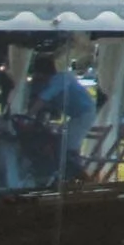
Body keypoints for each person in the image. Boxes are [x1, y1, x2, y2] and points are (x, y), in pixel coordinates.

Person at [26, 54, 97, 184]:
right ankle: (65, 177)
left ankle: (85, 180)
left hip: (84, 113)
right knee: (60, 144)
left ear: (42, 73)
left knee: (68, 148)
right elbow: (51, 108)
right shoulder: (52, 82)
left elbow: (43, 99)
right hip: (76, 114)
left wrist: (28, 116)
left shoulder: (60, 79)